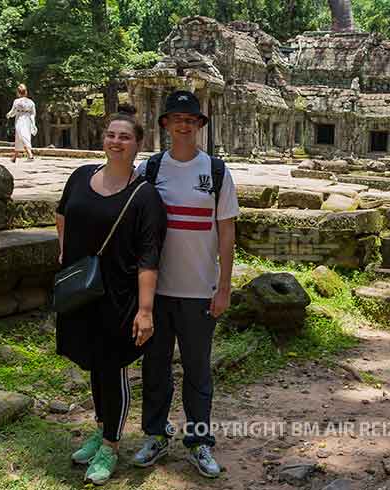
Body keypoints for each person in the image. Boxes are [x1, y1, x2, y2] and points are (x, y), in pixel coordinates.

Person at [55, 111, 167, 485]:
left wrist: (146, 309)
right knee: (91, 360)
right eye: (110, 135)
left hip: (119, 295)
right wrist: (65, 255)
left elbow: (150, 256)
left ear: (138, 145)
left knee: (112, 365)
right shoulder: (81, 176)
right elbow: (62, 214)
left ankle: (111, 444)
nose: (115, 142)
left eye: (124, 137)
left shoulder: (145, 195)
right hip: (82, 290)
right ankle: (100, 427)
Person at [133, 90, 240, 479]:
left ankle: (198, 442)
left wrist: (224, 286)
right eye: (176, 118)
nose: (183, 124)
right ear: (165, 124)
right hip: (156, 292)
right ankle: (156, 436)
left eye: (191, 120)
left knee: (198, 373)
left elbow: (226, 231)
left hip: (200, 291)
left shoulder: (215, 171)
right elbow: (133, 223)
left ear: (199, 126)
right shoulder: (151, 169)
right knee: (155, 369)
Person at [6, 84, 37, 163]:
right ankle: (14, 157)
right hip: (28, 120)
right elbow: (33, 114)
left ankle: (30, 155)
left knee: (22, 136)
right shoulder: (31, 102)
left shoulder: (17, 101)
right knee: (19, 137)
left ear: (18, 92)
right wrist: (33, 123)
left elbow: (13, 111)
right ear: (26, 92)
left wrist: (9, 115)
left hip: (20, 120)